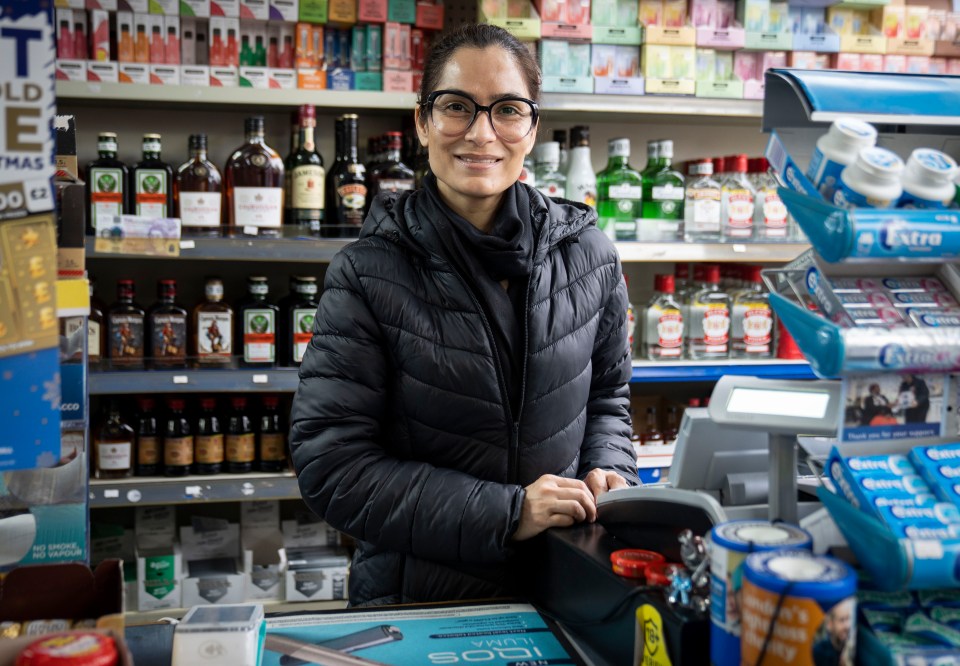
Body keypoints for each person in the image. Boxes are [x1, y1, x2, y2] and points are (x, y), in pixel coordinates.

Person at [290, 23, 638, 606]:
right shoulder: (367, 273)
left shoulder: (590, 257)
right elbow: (334, 466)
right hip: (422, 602)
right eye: (457, 107)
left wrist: (610, 468)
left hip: (568, 584)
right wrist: (508, 513)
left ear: (532, 126)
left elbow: (608, 401)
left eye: (507, 109)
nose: (482, 134)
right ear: (422, 121)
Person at [812, 597, 854, 666]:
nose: (847, 626)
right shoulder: (818, 653)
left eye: (849, 619)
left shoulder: (859, 649)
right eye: (842, 620)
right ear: (830, 624)